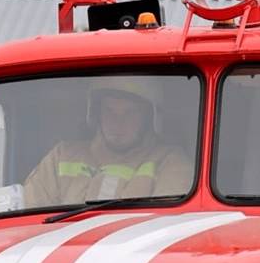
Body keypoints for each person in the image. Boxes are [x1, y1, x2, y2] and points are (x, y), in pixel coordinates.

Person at [20, 78, 192, 209]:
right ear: (95, 113)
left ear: (149, 118)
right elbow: (30, 218)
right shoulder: (61, 156)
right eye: (109, 110)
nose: (118, 122)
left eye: (130, 112)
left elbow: (164, 227)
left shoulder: (171, 162)